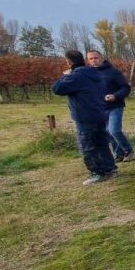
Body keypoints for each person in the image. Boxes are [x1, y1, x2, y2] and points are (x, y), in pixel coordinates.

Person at [52, 49, 118, 185]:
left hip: (85, 116)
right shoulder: (95, 73)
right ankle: (110, 169)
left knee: (87, 146)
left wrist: (66, 76)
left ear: (69, 62)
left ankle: (97, 172)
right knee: (102, 143)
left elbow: (57, 89)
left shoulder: (75, 76)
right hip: (100, 112)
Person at [85, 49, 133, 162]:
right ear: (88, 60)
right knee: (107, 132)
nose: (94, 61)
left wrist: (115, 96)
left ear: (101, 58)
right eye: (90, 59)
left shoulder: (113, 72)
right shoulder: (88, 74)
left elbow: (126, 88)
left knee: (114, 130)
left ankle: (128, 150)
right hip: (100, 108)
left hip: (115, 106)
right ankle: (118, 154)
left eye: (96, 58)